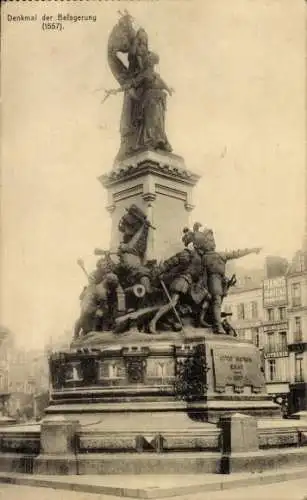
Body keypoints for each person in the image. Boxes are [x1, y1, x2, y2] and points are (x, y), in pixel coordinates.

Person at [202, 229, 261, 333]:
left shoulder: (220, 255)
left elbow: (236, 253)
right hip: (213, 281)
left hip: (221, 282)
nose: (213, 243)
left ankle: (215, 323)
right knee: (216, 301)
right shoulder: (204, 257)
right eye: (209, 241)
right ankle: (217, 325)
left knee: (218, 302)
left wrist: (252, 250)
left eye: (213, 240)